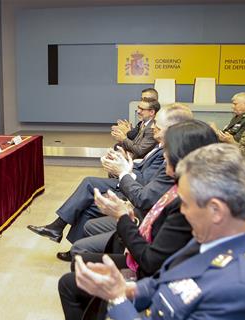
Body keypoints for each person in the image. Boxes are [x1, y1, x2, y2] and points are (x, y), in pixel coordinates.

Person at [18, 144, 245, 320]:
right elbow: (163, 282)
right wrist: (127, 288)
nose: (182, 212)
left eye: (185, 203)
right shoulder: (216, 240)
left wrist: (119, 299)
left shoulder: (242, 290)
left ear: (216, 210)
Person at [58, 120, 219, 320]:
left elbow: (151, 262)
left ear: (185, 157)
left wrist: (122, 217)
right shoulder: (182, 186)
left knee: (73, 277)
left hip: (150, 276)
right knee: (76, 271)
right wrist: (129, 217)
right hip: (146, 257)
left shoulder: (187, 200)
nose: (164, 156)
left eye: (168, 151)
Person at [27, 103, 193, 261]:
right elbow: (143, 165)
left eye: (158, 125)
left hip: (137, 199)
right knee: (89, 201)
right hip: (134, 182)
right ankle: (73, 246)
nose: (154, 127)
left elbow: (144, 187)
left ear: (172, 130)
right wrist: (127, 163)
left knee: (89, 185)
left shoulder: (171, 155)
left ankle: (63, 233)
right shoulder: (162, 142)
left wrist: (123, 170)